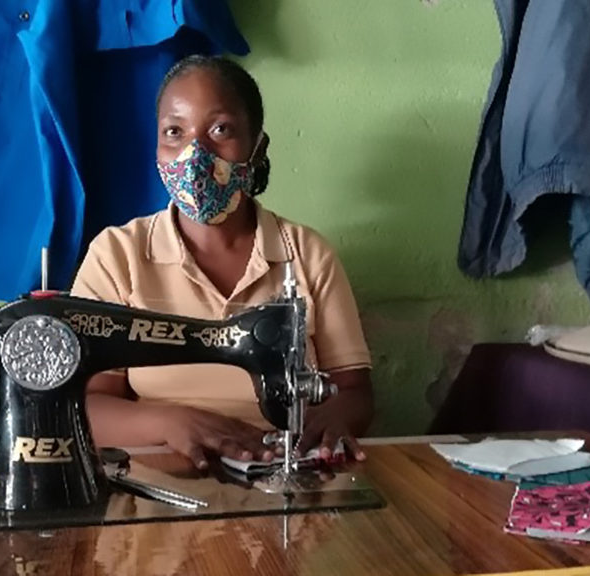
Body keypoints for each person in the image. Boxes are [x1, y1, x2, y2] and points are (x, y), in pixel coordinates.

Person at [71, 55, 372, 470]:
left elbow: (354, 391)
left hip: (280, 469)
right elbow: (87, 407)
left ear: (257, 146)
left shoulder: (306, 254)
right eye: (174, 131)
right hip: (160, 483)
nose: (196, 154)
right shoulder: (117, 255)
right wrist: (173, 421)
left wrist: (329, 422)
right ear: (157, 145)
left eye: (220, 129)